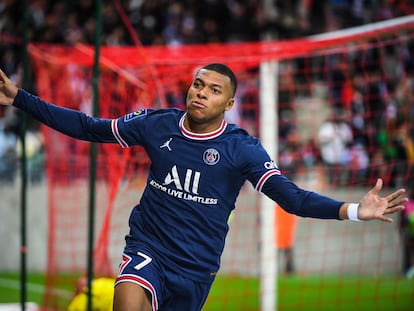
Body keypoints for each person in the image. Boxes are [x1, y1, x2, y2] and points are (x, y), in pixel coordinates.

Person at [0, 64, 407, 311]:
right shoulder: (156, 123)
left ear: (228, 104)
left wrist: (354, 210)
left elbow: (293, 199)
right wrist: (20, 98)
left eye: (214, 90)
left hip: (195, 269)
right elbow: (89, 128)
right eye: (199, 84)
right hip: (148, 249)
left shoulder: (241, 149)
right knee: (127, 297)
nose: (201, 93)